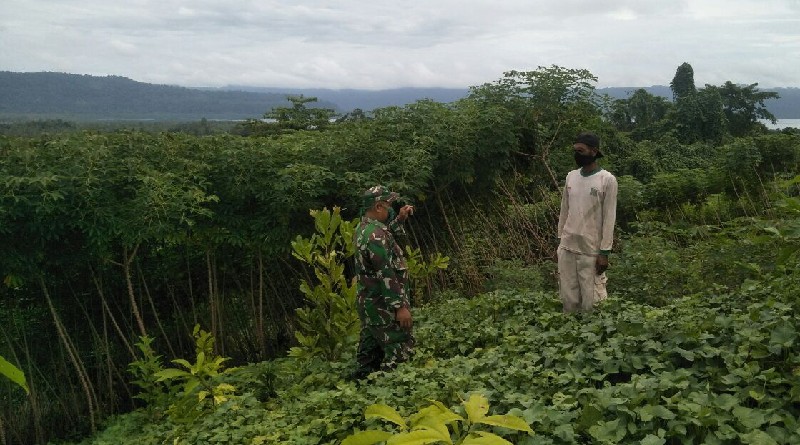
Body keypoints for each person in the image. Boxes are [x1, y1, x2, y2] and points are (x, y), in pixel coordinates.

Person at [351, 185, 415, 380]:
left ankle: (359, 393)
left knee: (369, 359)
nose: (391, 209)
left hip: (370, 306)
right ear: (378, 207)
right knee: (399, 355)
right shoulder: (375, 236)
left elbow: (388, 235)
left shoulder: (364, 229)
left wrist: (400, 220)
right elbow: (385, 273)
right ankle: (393, 398)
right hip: (384, 308)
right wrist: (400, 307)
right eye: (388, 205)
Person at [556, 132, 618, 312]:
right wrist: (560, 242)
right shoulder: (571, 176)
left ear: (593, 151)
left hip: (590, 249)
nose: (577, 154)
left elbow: (609, 218)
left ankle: (596, 337)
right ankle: (571, 335)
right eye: (575, 150)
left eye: (581, 150)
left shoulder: (606, 180)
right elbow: (564, 210)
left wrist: (604, 252)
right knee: (569, 299)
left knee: (593, 302)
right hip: (568, 246)